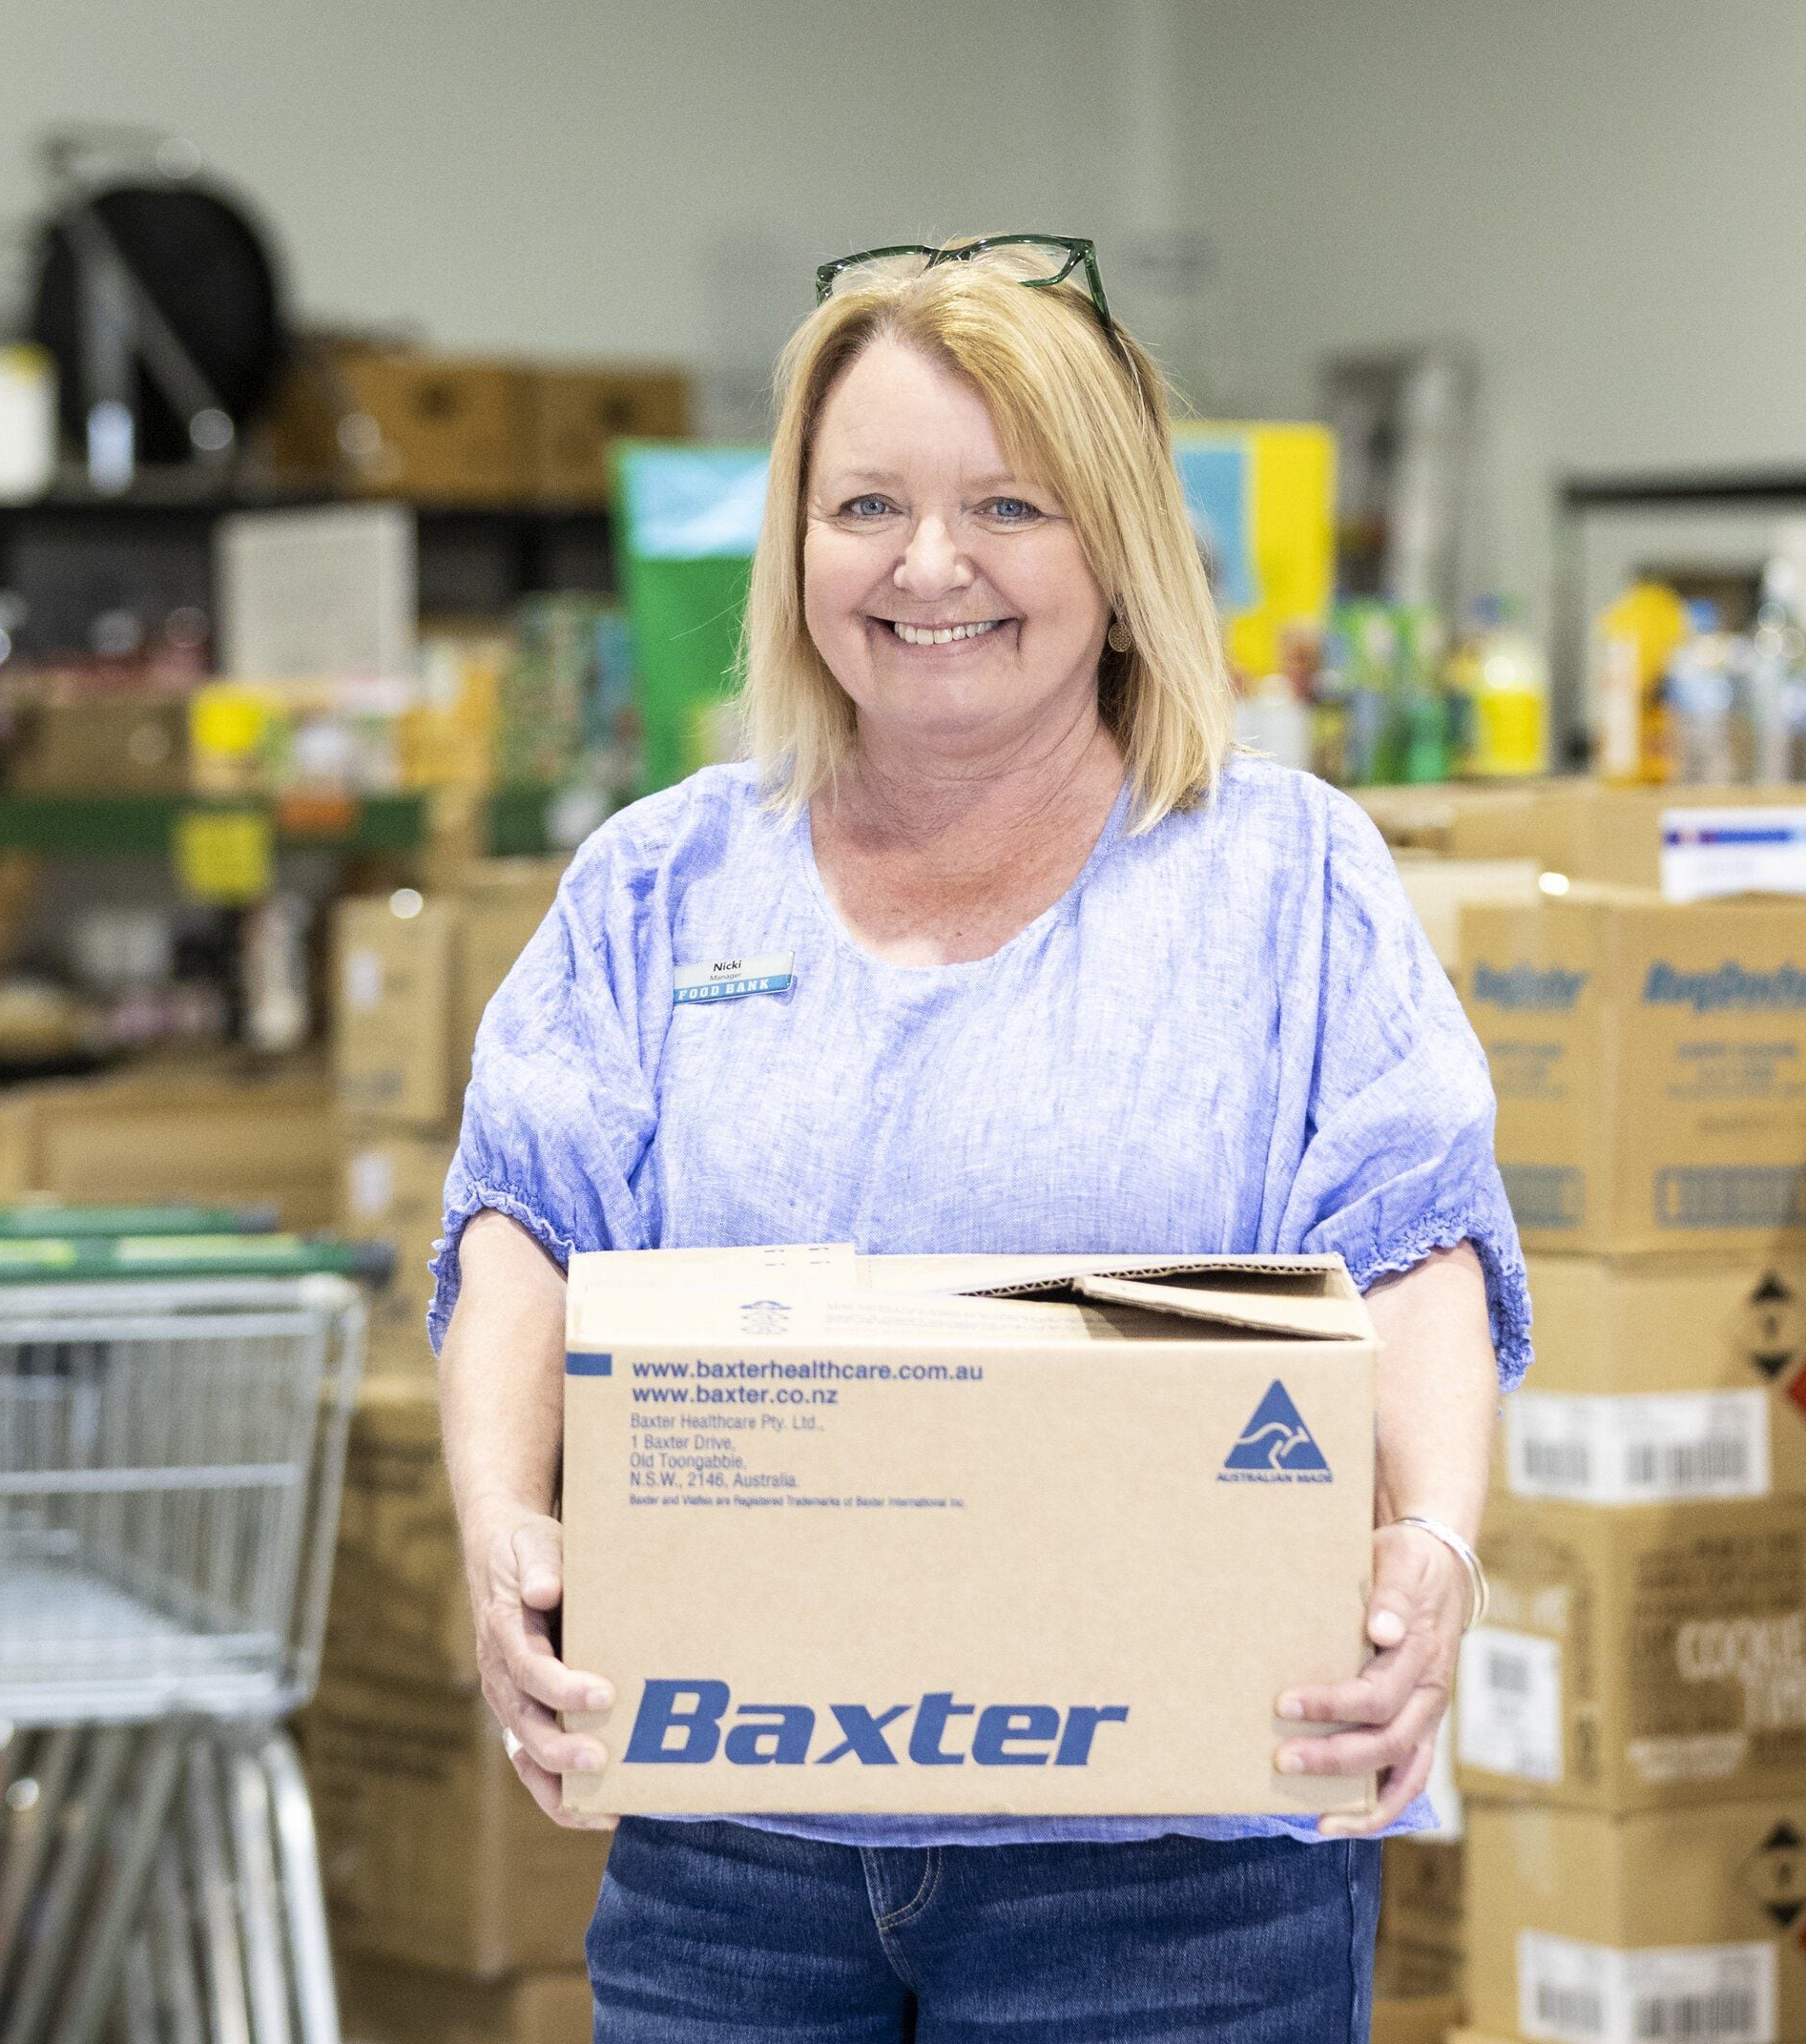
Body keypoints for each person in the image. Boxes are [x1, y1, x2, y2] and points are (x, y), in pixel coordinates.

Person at [433, 232, 1529, 2042]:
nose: (929, 566)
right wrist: (500, 1529)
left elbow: (1414, 1243)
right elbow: (523, 1229)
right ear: (795, 548)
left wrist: (1436, 1540)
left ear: (1116, 547)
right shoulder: (663, 878)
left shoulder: (1281, 877)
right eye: (865, 504)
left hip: (1175, 1876)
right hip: (735, 1862)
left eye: (1008, 505)